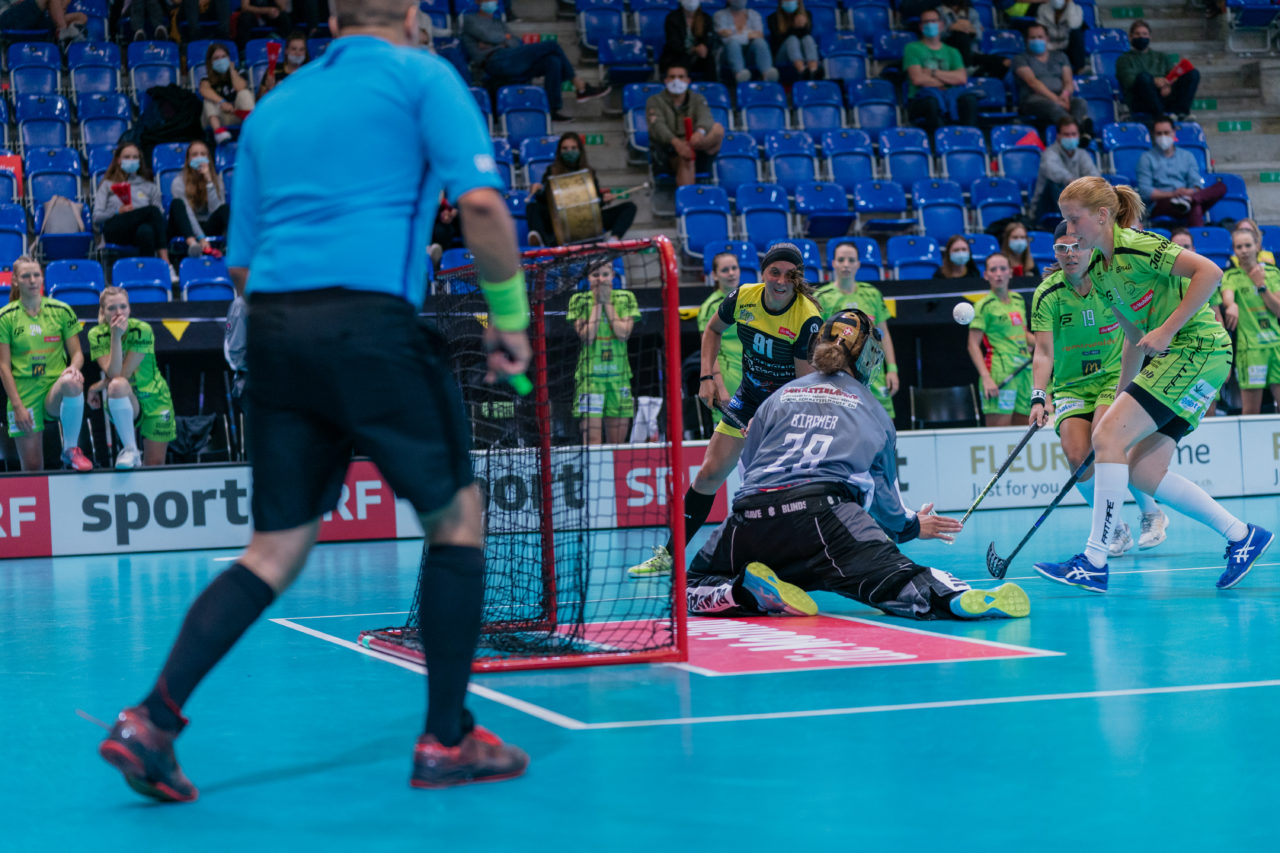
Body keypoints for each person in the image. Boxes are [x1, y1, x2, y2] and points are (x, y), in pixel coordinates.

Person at [98, 0, 532, 803]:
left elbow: (239, 267)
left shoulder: (276, 108)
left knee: (274, 548)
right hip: (370, 322)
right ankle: (446, 738)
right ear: (408, 14)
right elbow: (479, 207)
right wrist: (511, 321)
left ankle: (151, 720)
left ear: (333, 20)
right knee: (456, 519)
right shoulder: (422, 78)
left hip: (274, 330)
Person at [685, 308, 1030, 622]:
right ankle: (956, 596)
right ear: (868, 358)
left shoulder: (778, 397)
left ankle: (744, 592)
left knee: (693, 583)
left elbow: (750, 465)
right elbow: (887, 504)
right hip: (826, 518)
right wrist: (911, 526)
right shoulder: (874, 410)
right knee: (902, 578)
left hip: (752, 518)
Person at [1035, 176, 1271, 592]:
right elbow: (1132, 338)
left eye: (1074, 220)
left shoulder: (1135, 245)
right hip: (1185, 357)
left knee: (1106, 436)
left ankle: (1094, 558)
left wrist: (1165, 329)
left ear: (1102, 216)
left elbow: (1210, 272)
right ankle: (1241, 535)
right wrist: (1128, 390)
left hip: (1197, 348)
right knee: (1143, 472)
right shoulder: (1103, 271)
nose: (1068, 230)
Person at [628, 242, 822, 577]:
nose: (780, 280)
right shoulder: (743, 297)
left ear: (798, 279)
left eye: (790, 275)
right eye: (774, 272)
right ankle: (670, 556)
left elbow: (804, 388)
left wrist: (768, 423)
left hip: (786, 407)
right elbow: (712, 330)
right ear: (763, 272)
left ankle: (801, 560)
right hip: (747, 398)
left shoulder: (807, 318)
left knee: (784, 489)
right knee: (708, 474)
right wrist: (707, 376)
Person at [1029, 221, 1169, 556]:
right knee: (1078, 459)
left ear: (1090, 246)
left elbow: (1137, 331)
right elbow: (1044, 353)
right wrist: (1039, 397)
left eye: (1076, 246)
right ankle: (1116, 525)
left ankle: (1151, 513)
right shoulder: (1047, 293)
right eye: (1062, 248)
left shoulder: (1110, 282)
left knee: (1107, 441)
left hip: (1113, 377)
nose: (1070, 254)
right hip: (1071, 387)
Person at [0, 256, 91, 472]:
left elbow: (77, 353)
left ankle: (70, 449)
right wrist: (17, 406)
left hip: (54, 389)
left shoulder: (61, 311)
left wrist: (73, 368)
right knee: (32, 468)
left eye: (36, 275)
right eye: (25, 276)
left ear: (42, 278)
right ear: (15, 281)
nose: (32, 280)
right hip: (24, 394)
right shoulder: (5, 317)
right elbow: (3, 367)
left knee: (72, 382)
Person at [460, 2, 609, 123]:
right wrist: (502, 40)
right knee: (552, 45)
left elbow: (515, 43)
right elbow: (490, 36)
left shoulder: (499, 22)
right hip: (494, 62)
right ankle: (580, 86)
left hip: (513, 58)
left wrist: (496, 41)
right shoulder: (470, 20)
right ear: (477, 1)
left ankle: (552, 109)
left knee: (553, 61)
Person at [86, 287, 175, 469]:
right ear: (102, 311)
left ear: (129, 308)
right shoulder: (96, 334)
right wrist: (115, 337)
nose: (118, 312)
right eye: (111, 308)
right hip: (124, 399)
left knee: (154, 466)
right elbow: (115, 376)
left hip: (155, 399)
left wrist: (95, 387)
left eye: (123, 307)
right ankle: (130, 449)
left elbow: (123, 373)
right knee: (117, 386)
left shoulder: (142, 330)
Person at [814, 241, 899, 418]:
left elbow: (884, 335)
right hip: (838, 374)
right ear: (833, 263)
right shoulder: (822, 297)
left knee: (883, 425)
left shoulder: (872, 294)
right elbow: (815, 341)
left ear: (858, 264)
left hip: (874, 374)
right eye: (841, 259)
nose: (846, 264)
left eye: (851, 260)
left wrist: (892, 369)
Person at [567, 259, 639, 445]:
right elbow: (587, 337)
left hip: (619, 377)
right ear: (588, 278)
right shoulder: (579, 300)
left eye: (605, 274)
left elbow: (623, 334)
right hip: (590, 380)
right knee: (592, 441)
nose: (600, 279)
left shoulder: (626, 298)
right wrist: (597, 304)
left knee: (617, 444)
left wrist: (607, 303)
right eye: (595, 275)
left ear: (613, 276)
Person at [525, 132, 637, 247]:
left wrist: (604, 200)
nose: (569, 151)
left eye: (573, 148)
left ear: (580, 150)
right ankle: (542, 242)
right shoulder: (551, 171)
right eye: (565, 148)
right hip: (560, 221)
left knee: (629, 207)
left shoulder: (589, 173)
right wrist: (537, 190)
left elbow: (595, 202)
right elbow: (545, 200)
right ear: (559, 151)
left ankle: (613, 240)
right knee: (532, 207)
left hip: (587, 220)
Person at [92, 141, 176, 283]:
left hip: (137, 232)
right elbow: (96, 217)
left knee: (146, 231)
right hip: (115, 229)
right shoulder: (107, 185)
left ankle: (147, 278)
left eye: (134, 157)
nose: (131, 160)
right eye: (127, 157)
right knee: (152, 211)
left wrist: (139, 214)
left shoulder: (149, 187)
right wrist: (117, 211)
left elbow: (159, 217)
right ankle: (166, 263)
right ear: (119, 160)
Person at [968, 253, 1034, 427]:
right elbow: (972, 345)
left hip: (1025, 371)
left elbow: (1023, 334)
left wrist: (1047, 344)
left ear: (1010, 273)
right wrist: (986, 378)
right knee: (1000, 435)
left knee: (1024, 433)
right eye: (993, 269)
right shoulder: (983, 305)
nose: (998, 273)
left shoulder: (1018, 300)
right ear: (986, 275)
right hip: (1000, 373)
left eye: (1003, 269)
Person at [1221, 226, 1280, 414]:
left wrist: (1260, 285)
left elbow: (1278, 310)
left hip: (1276, 347)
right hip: (1250, 350)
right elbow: (1227, 297)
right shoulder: (1231, 276)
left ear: (1258, 246)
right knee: (1251, 411)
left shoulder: (1272, 273)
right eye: (1239, 247)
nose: (1244, 251)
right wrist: (1231, 305)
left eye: (1248, 245)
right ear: (1234, 250)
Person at [646, 60, 725, 187]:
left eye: (681, 77)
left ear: (688, 80)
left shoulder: (698, 98)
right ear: (665, 81)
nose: (676, 80)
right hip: (670, 151)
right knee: (686, 155)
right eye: (672, 77)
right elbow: (658, 127)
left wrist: (699, 133)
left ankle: (695, 146)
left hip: (698, 145)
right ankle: (688, 201)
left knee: (718, 129)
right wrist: (677, 143)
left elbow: (706, 117)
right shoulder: (654, 101)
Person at [1136, 116, 1225, 227]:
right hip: (1162, 202)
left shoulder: (1187, 156)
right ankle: (1193, 202)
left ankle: (1191, 200)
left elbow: (1196, 184)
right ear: (1154, 135)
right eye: (1159, 133)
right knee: (1195, 206)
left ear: (1174, 133)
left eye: (1166, 132)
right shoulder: (1146, 158)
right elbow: (1146, 191)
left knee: (1221, 186)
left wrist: (1189, 193)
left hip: (1186, 197)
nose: (1163, 136)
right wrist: (1173, 194)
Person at [903, 7, 979, 136]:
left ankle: (969, 141)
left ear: (942, 25)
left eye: (934, 21)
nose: (930, 25)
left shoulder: (952, 51)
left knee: (969, 99)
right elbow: (918, 79)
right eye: (926, 22)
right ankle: (939, 144)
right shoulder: (912, 48)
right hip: (921, 99)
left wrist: (932, 73)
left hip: (948, 95)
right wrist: (947, 80)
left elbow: (961, 78)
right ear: (921, 27)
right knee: (932, 102)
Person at [1012, 22, 1091, 134]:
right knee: (1053, 106)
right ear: (1026, 40)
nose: (1037, 40)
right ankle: (1078, 132)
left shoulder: (1060, 57)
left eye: (1040, 37)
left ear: (1047, 38)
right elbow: (1032, 82)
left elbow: (1068, 81)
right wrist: (1056, 99)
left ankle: (1074, 133)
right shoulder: (1020, 59)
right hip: (1034, 100)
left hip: (1061, 97)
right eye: (1032, 37)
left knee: (1080, 103)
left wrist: (1065, 95)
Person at [1115, 20, 1200, 121]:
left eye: (1144, 34)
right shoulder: (1123, 59)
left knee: (1192, 74)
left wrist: (1167, 84)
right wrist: (1154, 82)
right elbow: (1129, 81)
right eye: (1137, 34)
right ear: (1130, 37)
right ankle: (1161, 115)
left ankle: (1181, 113)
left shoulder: (1161, 56)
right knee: (1143, 77)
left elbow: (1173, 75)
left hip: (1165, 95)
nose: (1141, 37)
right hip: (1141, 99)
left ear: (1150, 37)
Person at [697, 251, 744, 409]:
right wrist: (720, 386)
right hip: (728, 376)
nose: (731, 273)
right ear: (715, 275)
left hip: (753, 377)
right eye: (725, 270)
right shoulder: (710, 306)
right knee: (730, 431)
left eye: (734, 268)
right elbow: (708, 350)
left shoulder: (750, 299)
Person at [168, 140, 229, 259]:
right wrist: (201, 238)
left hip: (207, 225)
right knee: (177, 204)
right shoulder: (178, 182)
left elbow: (216, 211)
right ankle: (193, 244)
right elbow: (187, 213)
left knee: (225, 209)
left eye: (203, 154)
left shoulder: (217, 181)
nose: (199, 158)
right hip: (187, 229)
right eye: (195, 155)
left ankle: (233, 247)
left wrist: (209, 181)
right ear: (188, 159)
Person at [1031, 116, 1100, 221]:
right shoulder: (1049, 153)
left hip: (1076, 204)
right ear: (1058, 136)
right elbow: (1055, 172)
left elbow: (1094, 177)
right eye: (1066, 135)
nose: (1070, 138)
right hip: (1046, 207)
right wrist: (1075, 184)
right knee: (1056, 185)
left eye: (1073, 134)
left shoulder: (1082, 154)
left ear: (1078, 136)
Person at [198, 42, 256, 145]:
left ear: (229, 58)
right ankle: (218, 133)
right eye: (216, 58)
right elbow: (204, 90)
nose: (221, 60)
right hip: (215, 119)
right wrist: (222, 102)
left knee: (245, 93)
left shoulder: (239, 72)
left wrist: (232, 70)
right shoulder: (206, 79)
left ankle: (253, 130)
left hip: (236, 115)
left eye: (223, 57)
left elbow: (240, 87)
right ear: (210, 62)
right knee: (208, 100)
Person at [714, 0, 775, 83]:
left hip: (749, 54)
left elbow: (759, 35)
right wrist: (748, 34)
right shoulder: (719, 15)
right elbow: (725, 38)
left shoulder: (754, 14)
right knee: (733, 43)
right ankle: (740, 75)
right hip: (727, 54)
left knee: (760, 42)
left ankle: (767, 75)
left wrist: (735, 32)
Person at [661, 0, 716, 81]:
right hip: (678, 54)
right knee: (682, 58)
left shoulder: (706, 18)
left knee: (710, 60)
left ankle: (711, 87)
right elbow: (673, 43)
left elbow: (709, 39)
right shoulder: (672, 18)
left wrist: (704, 47)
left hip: (698, 56)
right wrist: (693, 49)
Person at [766, 0, 819, 81]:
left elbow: (806, 34)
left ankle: (813, 71)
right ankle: (802, 71)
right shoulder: (773, 18)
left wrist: (803, 26)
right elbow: (778, 40)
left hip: (801, 52)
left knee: (808, 39)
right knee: (792, 39)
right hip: (782, 55)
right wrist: (795, 27)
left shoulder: (807, 15)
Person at [1036, 0, 1086, 74]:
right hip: (1049, 44)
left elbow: (1073, 24)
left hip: (1067, 45)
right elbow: (1041, 29)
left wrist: (1070, 6)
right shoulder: (1043, 8)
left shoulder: (1077, 9)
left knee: (1076, 34)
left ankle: (1079, 70)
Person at [0, 0, 87, 42]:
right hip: (9, 18)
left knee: (81, 17)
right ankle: (62, 31)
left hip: (35, 18)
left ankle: (64, 41)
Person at [257, 31, 310, 98]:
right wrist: (269, 89)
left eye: (301, 50)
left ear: (305, 52)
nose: (298, 53)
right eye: (294, 49)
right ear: (286, 51)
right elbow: (259, 101)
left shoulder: (309, 72)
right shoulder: (273, 70)